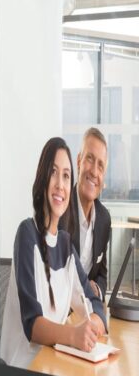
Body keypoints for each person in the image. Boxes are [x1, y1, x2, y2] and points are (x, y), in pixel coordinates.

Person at [6, 134, 112, 368]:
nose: (60, 185)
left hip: (53, 364)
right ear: (42, 177)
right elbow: (32, 325)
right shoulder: (26, 233)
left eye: (66, 176)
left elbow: (93, 300)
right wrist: (74, 334)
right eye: (53, 172)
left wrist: (93, 323)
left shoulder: (65, 245)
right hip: (24, 368)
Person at [73, 125, 115, 313]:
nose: (94, 172)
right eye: (89, 159)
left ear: (103, 176)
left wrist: (96, 289)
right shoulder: (60, 207)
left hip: (86, 315)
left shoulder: (104, 219)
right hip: (58, 316)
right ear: (79, 161)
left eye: (101, 165)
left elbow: (102, 275)